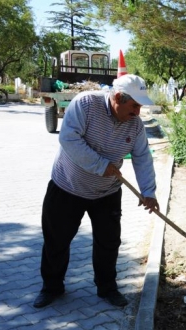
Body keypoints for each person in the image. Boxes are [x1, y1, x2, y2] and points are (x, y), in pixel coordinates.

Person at [33, 74, 159, 308]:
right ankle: (52, 287)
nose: (138, 112)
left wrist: (149, 192)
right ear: (118, 97)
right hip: (67, 187)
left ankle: (107, 288)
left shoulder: (135, 125)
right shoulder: (86, 104)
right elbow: (69, 138)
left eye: (140, 107)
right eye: (134, 106)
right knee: (56, 241)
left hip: (106, 193)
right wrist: (101, 165)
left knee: (109, 243)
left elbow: (142, 157)